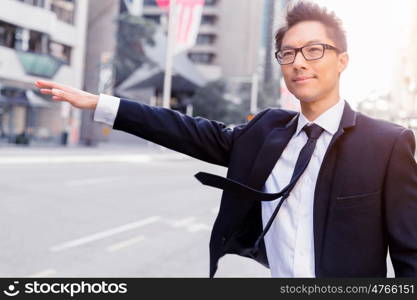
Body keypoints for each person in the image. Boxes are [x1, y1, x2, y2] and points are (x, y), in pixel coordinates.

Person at [35, 1, 417, 278]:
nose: (299, 61)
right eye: (288, 53)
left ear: (342, 60)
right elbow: (185, 129)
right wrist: (102, 103)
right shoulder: (268, 130)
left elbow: (410, 257)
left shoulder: (387, 144)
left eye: (314, 50)